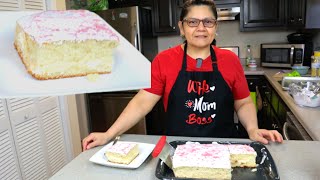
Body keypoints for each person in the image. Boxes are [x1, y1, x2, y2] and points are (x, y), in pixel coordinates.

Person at [83, 0, 283, 150]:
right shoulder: (165, 60)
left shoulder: (229, 60)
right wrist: (109, 134)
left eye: (208, 22)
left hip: (224, 147)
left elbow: (243, 102)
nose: (201, 28)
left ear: (216, 26)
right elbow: (143, 101)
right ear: (182, 27)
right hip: (178, 148)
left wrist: (252, 130)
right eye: (193, 22)